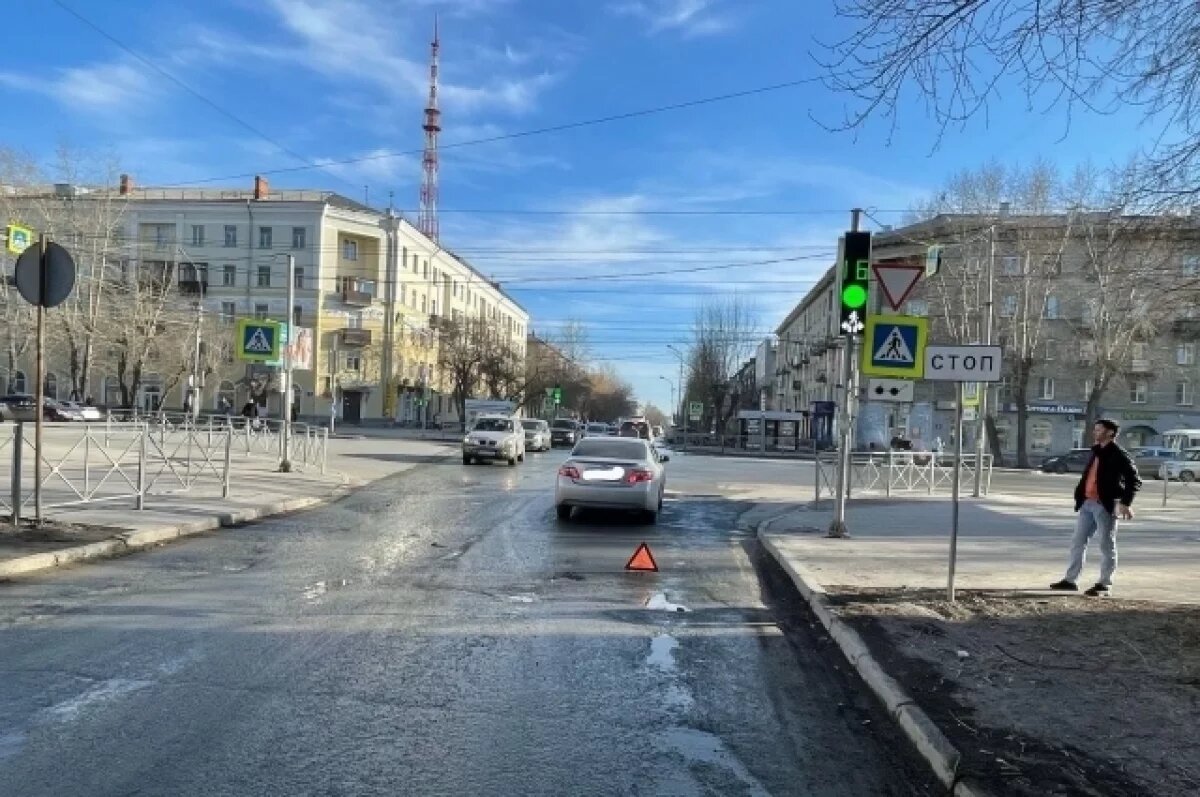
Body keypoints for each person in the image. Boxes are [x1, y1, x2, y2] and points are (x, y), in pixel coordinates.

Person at [1050, 419, 1141, 597]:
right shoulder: (1097, 451)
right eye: (1095, 429)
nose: (1094, 432)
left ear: (1110, 433)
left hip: (1104, 505)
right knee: (1078, 542)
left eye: (1098, 430)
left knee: (1106, 545)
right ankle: (1070, 580)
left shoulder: (1119, 454)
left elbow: (1134, 480)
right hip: (1087, 504)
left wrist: (1125, 502)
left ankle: (1104, 585)